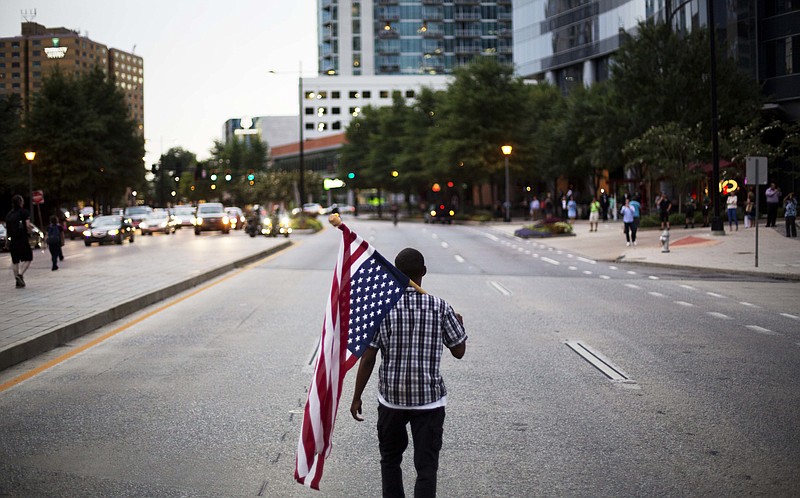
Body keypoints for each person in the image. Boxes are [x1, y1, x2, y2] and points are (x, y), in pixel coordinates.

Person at [350, 247, 467, 498]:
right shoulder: (440, 307)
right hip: (429, 402)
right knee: (426, 467)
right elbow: (459, 351)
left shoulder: (383, 308)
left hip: (392, 401)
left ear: (394, 273)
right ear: (423, 272)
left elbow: (368, 357)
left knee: (390, 461)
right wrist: (459, 324)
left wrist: (356, 396)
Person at [5, 194, 34, 288]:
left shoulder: (9, 214)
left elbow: (7, 230)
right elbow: (28, 225)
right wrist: (31, 230)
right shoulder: (24, 212)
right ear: (21, 202)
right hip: (22, 239)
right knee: (28, 258)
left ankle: (17, 282)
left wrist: (7, 241)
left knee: (15, 261)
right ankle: (20, 275)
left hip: (13, 240)